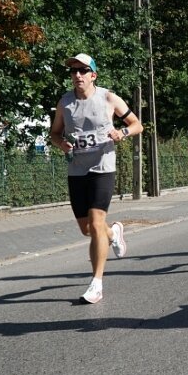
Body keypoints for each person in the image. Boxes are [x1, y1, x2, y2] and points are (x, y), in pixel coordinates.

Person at [49, 53, 143, 304]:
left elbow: (137, 124)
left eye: (82, 70)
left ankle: (96, 283)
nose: (77, 75)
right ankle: (113, 233)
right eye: (73, 71)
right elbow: (55, 134)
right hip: (77, 170)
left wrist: (122, 132)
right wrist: (63, 145)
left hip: (103, 167)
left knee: (95, 218)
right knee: (88, 229)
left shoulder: (108, 98)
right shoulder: (65, 102)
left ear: (93, 75)